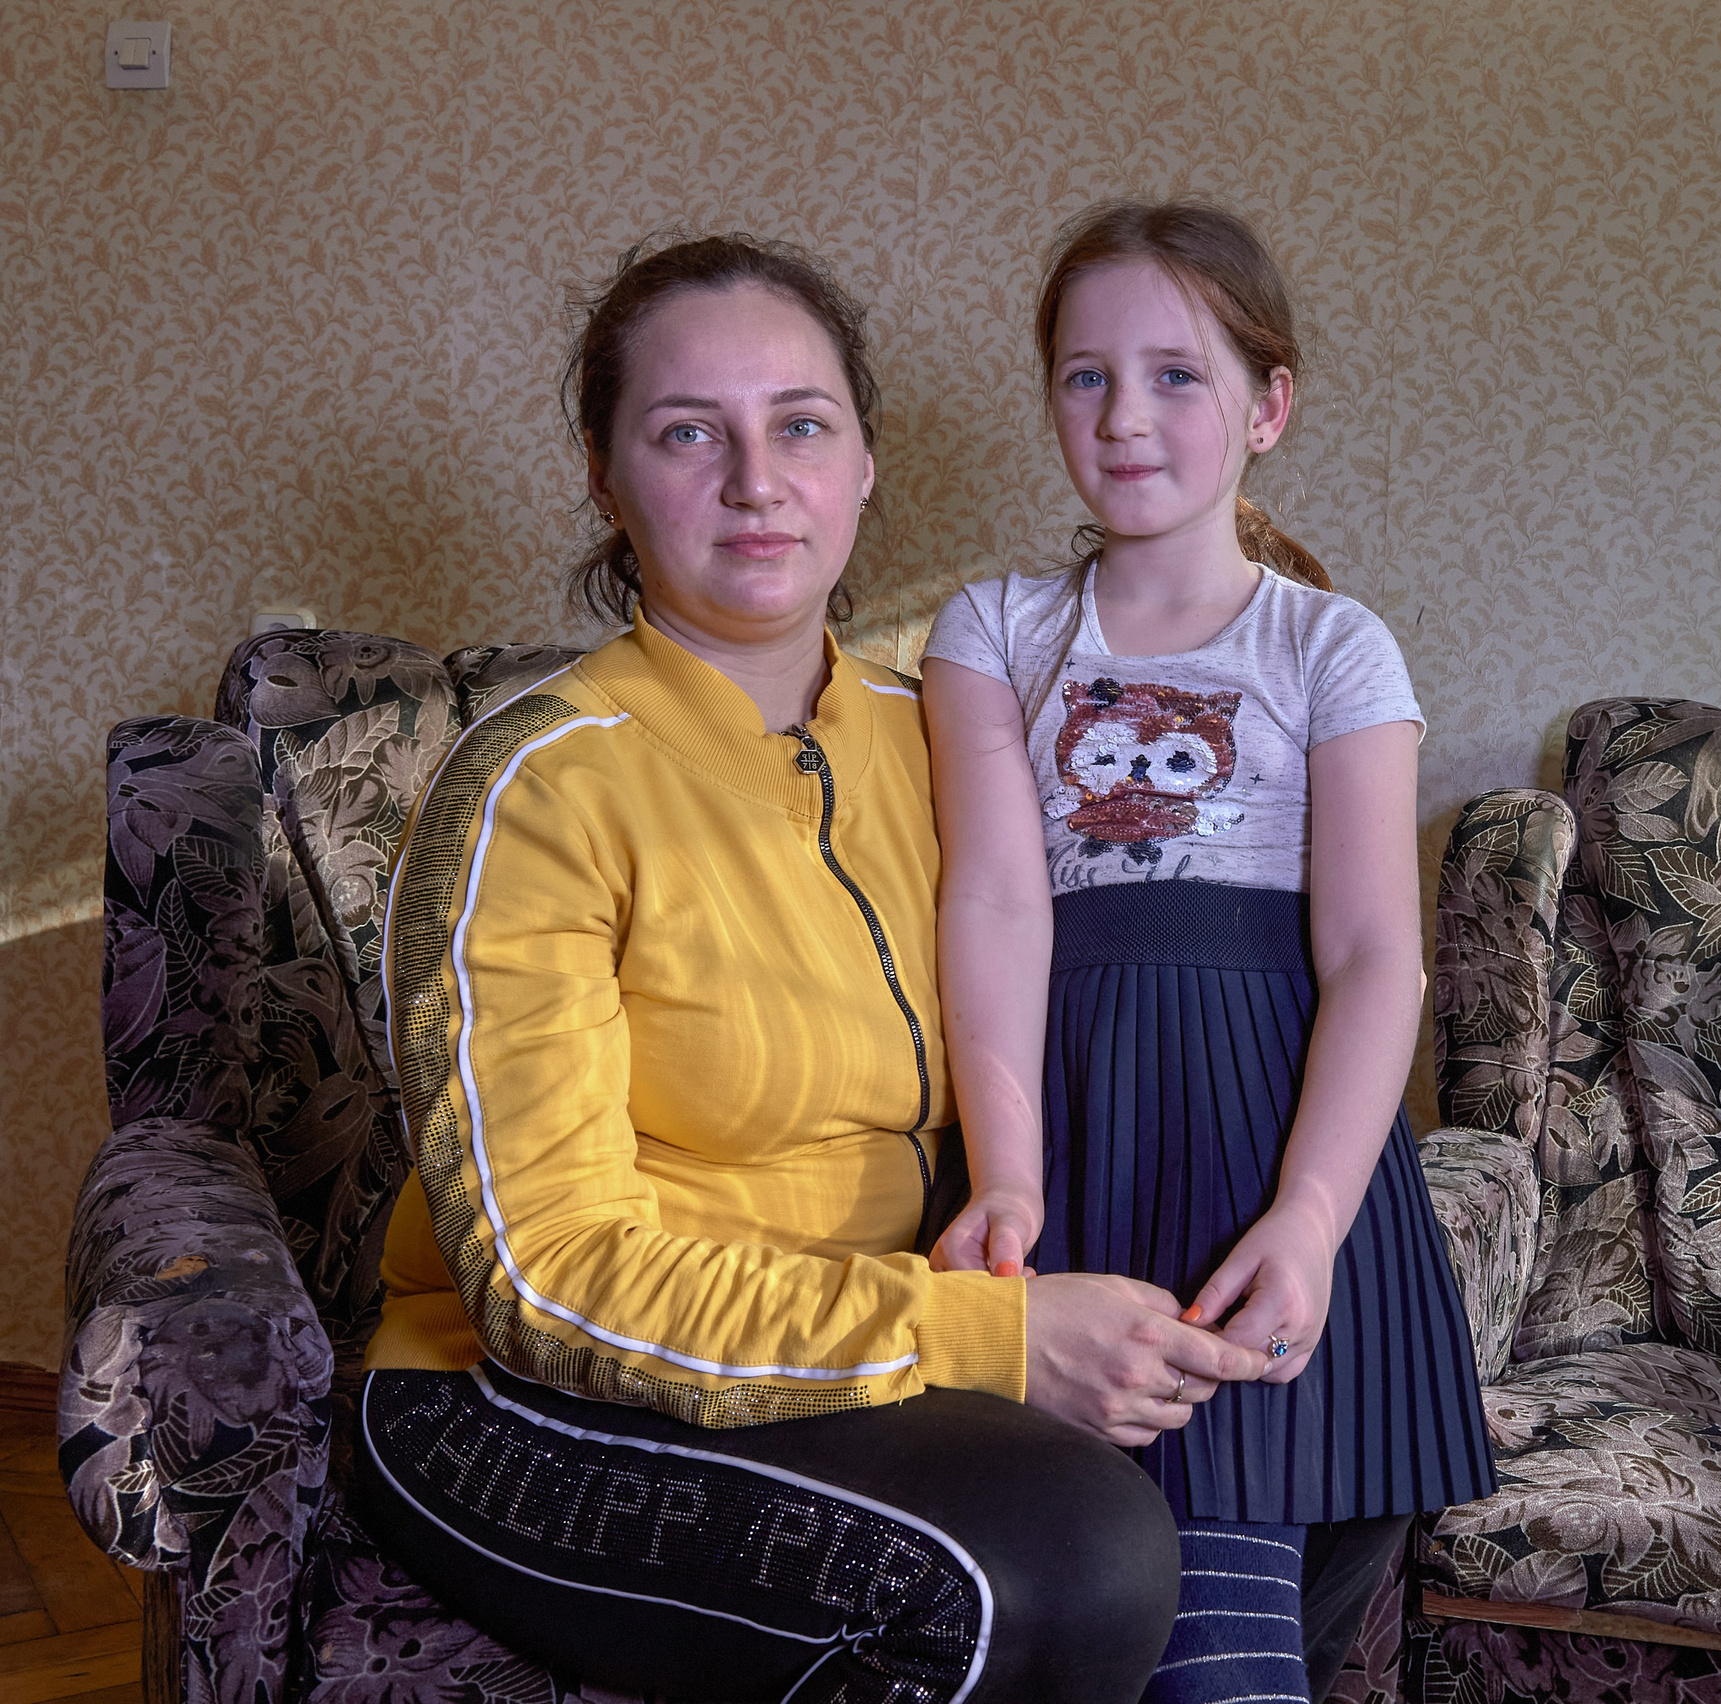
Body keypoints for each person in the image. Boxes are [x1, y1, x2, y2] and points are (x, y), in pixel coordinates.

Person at [354, 232, 1270, 1704]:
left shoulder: (950, 736)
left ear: (860, 463)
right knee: (1077, 1558)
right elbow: (550, 1283)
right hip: (524, 1394)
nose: (755, 482)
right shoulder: (542, 789)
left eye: (800, 426)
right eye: (685, 434)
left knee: (1302, 1442)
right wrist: (987, 1337)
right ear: (606, 477)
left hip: (874, 1349)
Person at [920, 201, 1498, 1704]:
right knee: (1101, 1598)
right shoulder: (992, 629)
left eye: (1177, 374)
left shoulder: (1332, 646)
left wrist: (1309, 1218)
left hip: (1270, 1154)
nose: (1124, 417)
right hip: (1074, 1135)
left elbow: (1378, 953)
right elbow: (991, 903)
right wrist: (1008, 1175)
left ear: (1267, 408)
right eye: (1084, 377)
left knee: (1222, 1607)